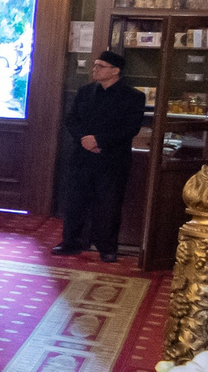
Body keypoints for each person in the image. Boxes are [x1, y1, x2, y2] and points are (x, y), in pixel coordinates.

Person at [53, 49, 148, 261]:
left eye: (100, 66)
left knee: (108, 204)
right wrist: (84, 139)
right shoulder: (85, 91)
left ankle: (107, 247)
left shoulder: (133, 96)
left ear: (115, 71)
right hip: (82, 156)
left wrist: (99, 140)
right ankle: (71, 242)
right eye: (95, 65)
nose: (95, 69)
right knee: (75, 201)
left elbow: (130, 128)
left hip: (112, 158)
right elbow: (71, 119)